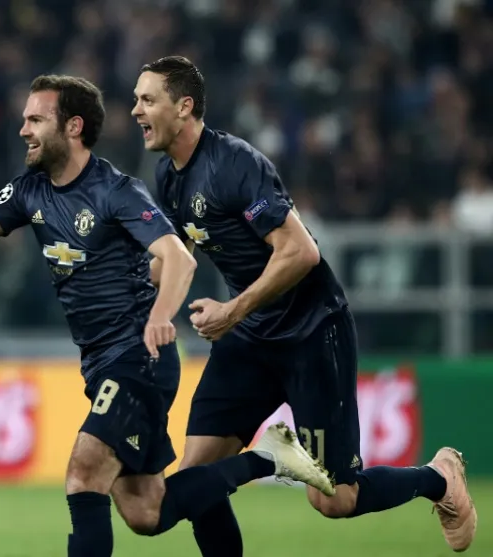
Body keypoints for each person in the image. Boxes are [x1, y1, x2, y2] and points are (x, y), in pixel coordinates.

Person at [0, 74, 333, 557]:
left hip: (138, 357)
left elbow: (178, 258)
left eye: (36, 120)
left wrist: (160, 316)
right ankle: (271, 459)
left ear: (73, 127)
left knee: (83, 473)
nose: (23, 130)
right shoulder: (28, 191)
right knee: (147, 513)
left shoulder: (116, 191)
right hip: (100, 364)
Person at [132, 56, 477, 555]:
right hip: (249, 337)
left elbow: (301, 252)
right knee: (198, 477)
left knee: (334, 499)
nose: (136, 110)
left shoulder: (235, 163)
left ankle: (439, 477)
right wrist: (114, 282)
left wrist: (232, 311)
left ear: (184, 107)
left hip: (311, 332)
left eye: (147, 100)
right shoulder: (168, 174)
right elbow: (175, 257)